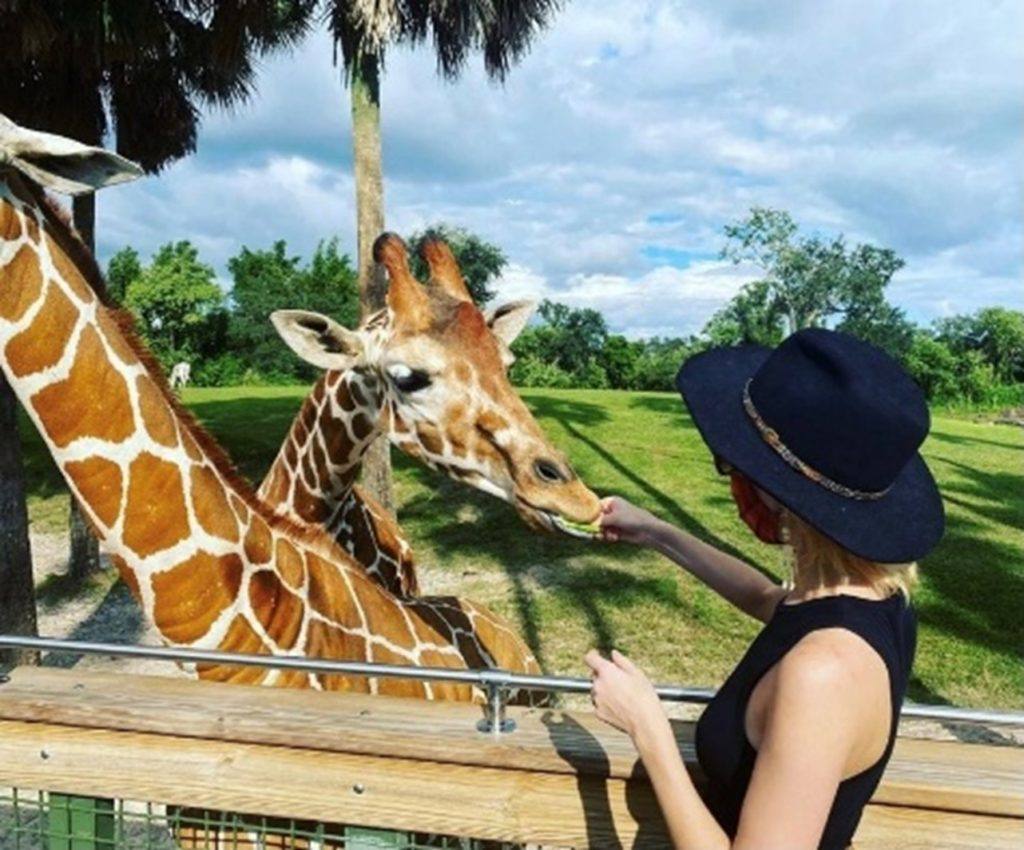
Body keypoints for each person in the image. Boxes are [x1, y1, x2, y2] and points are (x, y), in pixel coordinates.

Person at [585, 328, 944, 850]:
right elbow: (767, 600)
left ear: (781, 494)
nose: (732, 478)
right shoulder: (871, 600)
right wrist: (656, 533)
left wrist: (648, 728)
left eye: (735, 465)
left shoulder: (822, 675)